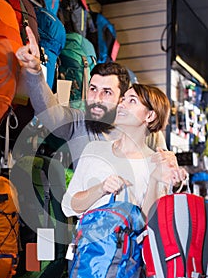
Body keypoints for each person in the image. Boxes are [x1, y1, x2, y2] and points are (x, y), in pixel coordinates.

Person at [61, 83, 187, 278]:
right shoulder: (95, 151)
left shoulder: (157, 161)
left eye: (132, 101)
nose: (121, 104)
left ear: (149, 116)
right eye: (123, 99)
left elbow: (150, 224)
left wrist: (156, 177)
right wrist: (100, 188)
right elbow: (69, 205)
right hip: (90, 275)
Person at [16, 26, 175, 171]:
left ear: (122, 99)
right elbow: (50, 113)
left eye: (107, 92)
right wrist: (35, 72)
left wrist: (173, 175)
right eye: (93, 89)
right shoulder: (79, 123)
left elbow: (167, 177)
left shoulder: (146, 133)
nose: (96, 98)